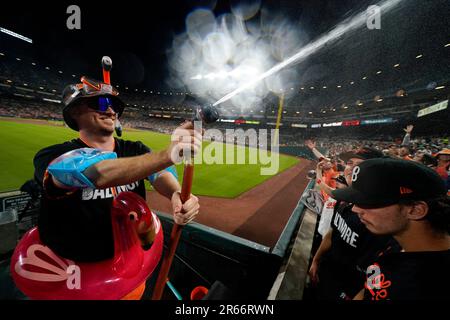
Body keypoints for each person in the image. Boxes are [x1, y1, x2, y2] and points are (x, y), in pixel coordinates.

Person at [33, 76, 201, 265]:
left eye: (115, 106)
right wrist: (166, 155)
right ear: (74, 112)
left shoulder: (135, 149)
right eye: (102, 102)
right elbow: (95, 172)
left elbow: (160, 173)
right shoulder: (52, 155)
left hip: (129, 262)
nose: (112, 111)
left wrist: (175, 194)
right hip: (73, 270)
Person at [332, 158, 450, 300]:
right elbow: (370, 290)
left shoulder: (432, 286)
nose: (356, 208)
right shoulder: (396, 240)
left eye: (369, 202)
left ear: (415, 210)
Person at [309, 147, 394, 300]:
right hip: (326, 272)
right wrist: (316, 260)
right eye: (349, 162)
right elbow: (332, 233)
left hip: (350, 290)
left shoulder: (381, 220)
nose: (351, 168)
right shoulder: (343, 199)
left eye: (359, 164)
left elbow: (375, 275)